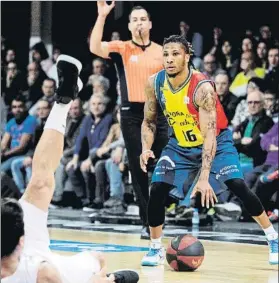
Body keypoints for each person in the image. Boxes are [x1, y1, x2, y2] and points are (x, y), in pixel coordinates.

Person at [139, 35, 278, 266]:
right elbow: (149, 121)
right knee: (157, 187)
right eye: (165, 54)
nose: (169, 59)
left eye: (175, 54)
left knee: (237, 184)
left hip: (216, 141)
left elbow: (210, 135)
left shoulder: (202, 87)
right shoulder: (154, 83)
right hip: (180, 144)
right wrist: (145, 148)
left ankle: (273, 238)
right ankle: (155, 248)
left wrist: (203, 178)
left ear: (187, 57)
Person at [1, 54, 139, 283]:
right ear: (21, 241)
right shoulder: (45, 273)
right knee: (98, 261)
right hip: (48, 265)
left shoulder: (39, 270)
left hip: (33, 257)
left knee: (41, 182)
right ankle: (110, 280)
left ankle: (64, 100)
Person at [89, 1, 169, 239]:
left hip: (158, 113)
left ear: (150, 23)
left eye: (143, 19)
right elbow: (94, 46)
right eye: (134, 20)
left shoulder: (161, 51)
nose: (139, 23)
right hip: (131, 114)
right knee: (139, 167)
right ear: (129, 25)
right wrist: (102, 16)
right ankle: (149, 222)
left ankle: (162, 209)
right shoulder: (121, 48)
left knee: (163, 166)